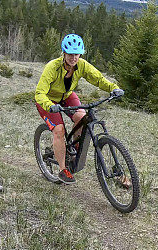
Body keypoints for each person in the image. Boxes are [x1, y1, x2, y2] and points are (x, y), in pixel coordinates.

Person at [35, 33, 124, 184]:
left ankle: (73, 151)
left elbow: (98, 79)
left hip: (67, 96)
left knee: (82, 118)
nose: (73, 58)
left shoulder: (81, 65)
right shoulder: (53, 67)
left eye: (77, 54)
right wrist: (50, 106)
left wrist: (113, 88)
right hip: (49, 101)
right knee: (59, 130)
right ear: (63, 53)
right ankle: (63, 170)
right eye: (70, 54)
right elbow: (39, 93)